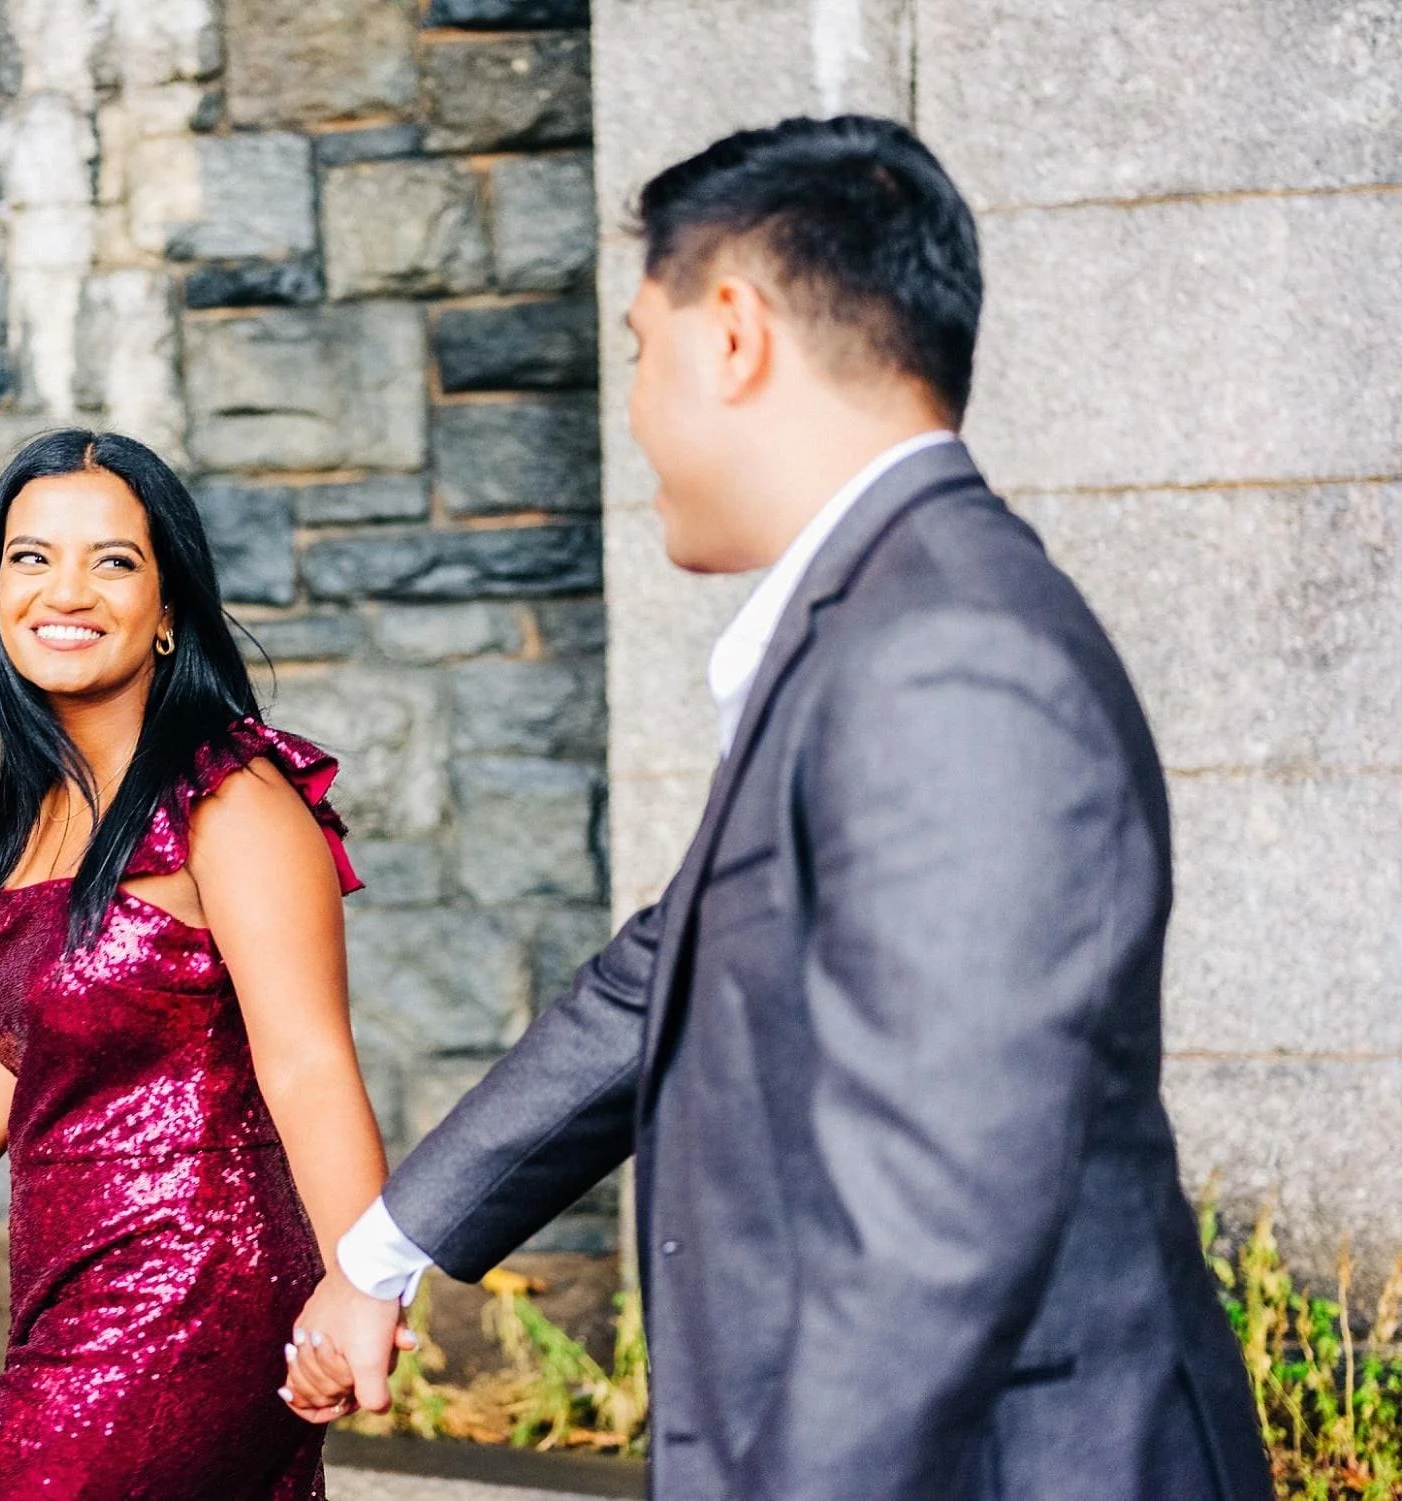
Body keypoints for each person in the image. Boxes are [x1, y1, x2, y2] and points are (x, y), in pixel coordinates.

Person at [284, 116, 1273, 1500]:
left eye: (641, 348)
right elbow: (663, 973)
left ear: (735, 335)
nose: (633, 408)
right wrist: (384, 1252)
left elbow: (937, 1210)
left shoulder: (949, 652)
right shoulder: (881, 619)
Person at [0, 430, 390, 1499]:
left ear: (166, 607)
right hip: (71, 1288)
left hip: (193, 1287)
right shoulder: (39, 812)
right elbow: (23, 1050)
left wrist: (363, 1284)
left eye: (112, 560)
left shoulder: (231, 799)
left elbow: (307, 1062)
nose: (66, 591)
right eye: (31, 557)